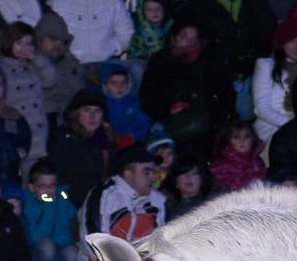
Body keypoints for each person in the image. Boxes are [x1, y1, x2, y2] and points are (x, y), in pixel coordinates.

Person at [139, 22, 235, 160]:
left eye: (193, 39)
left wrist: (210, 113)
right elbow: (146, 97)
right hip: (168, 121)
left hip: (203, 122)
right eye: (184, 36)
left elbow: (225, 94)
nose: (188, 43)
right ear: (173, 38)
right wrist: (168, 109)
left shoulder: (210, 61)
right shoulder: (160, 60)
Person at [177, 0, 275, 79]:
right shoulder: (203, 2)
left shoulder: (257, 2)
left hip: (250, 72)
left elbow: (266, 36)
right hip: (213, 73)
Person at [78, 145, 168, 247]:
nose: (153, 178)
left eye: (153, 172)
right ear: (129, 174)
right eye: (147, 172)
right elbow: (93, 242)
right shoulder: (103, 197)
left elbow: (162, 241)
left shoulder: (158, 200)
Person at [252, 21, 297, 147]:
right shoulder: (265, 65)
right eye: (292, 41)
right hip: (272, 128)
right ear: (282, 44)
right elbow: (261, 108)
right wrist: (293, 124)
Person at [0, 22, 48, 170]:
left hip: (38, 131)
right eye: (19, 43)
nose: (24, 48)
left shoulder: (33, 66)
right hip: (16, 133)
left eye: (28, 43)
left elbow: (51, 79)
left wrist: (37, 59)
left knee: (38, 182)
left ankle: (43, 195)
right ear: (9, 43)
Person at [48, 88, 112, 208]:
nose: (92, 116)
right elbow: (59, 181)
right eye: (87, 110)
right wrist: (69, 204)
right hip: (71, 206)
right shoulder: (64, 140)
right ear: (76, 113)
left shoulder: (105, 140)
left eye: (97, 111)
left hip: (99, 203)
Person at [21, 159, 78, 261]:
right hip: (36, 252)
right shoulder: (27, 204)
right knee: (47, 246)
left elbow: (67, 232)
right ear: (32, 188)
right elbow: (35, 237)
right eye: (42, 186)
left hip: (62, 245)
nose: (48, 190)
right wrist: (49, 206)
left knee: (72, 252)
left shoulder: (61, 196)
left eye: (52, 185)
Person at [32, 12, 82, 129]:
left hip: (69, 123)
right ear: (39, 40)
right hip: (41, 123)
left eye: (63, 41)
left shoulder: (71, 64)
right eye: (53, 39)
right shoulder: (28, 63)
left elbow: (78, 97)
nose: (58, 45)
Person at [101, 63, 155, 145]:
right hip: (108, 142)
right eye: (114, 83)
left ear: (128, 83)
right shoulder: (101, 102)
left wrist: (134, 137)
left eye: (123, 82)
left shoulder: (133, 102)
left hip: (132, 140)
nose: (119, 87)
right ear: (106, 85)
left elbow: (144, 122)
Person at [209, 120, 267, 192]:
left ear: (253, 139)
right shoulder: (221, 166)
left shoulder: (258, 161)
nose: (242, 141)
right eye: (236, 137)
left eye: (247, 136)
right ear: (229, 140)